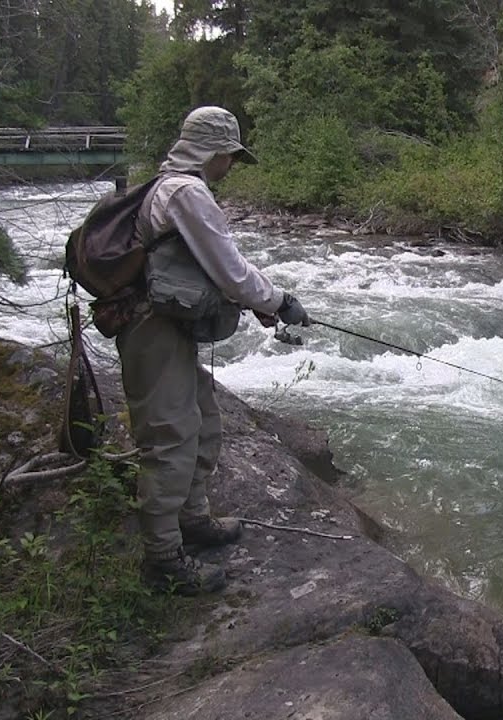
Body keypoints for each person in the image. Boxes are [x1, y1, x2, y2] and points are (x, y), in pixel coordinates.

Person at [117, 106, 309, 595]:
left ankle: (193, 520)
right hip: (151, 330)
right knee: (170, 438)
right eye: (231, 157)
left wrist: (256, 304)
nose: (231, 167)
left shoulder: (172, 188)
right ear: (214, 152)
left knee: (203, 421)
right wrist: (279, 300)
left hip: (167, 326)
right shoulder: (187, 192)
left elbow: (202, 269)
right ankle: (162, 561)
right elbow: (231, 269)